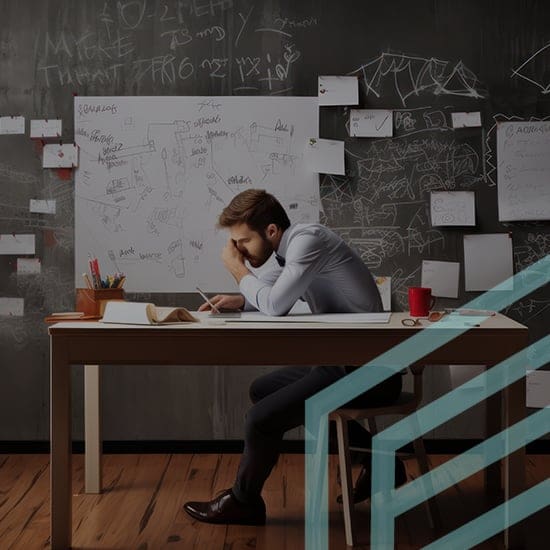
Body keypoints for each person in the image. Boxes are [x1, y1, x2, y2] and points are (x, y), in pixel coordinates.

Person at [183, 189, 406, 526]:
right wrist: (238, 300)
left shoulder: (307, 242)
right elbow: (270, 293)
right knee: (263, 389)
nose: (238, 251)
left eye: (242, 241)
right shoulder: (289, 252)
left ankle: (244, 500)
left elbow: (274, 305)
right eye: (235, 245)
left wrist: (236, 269)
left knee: (261, 418)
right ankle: (380, 459)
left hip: (370, 370)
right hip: (343, 362)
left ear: (271, 231)